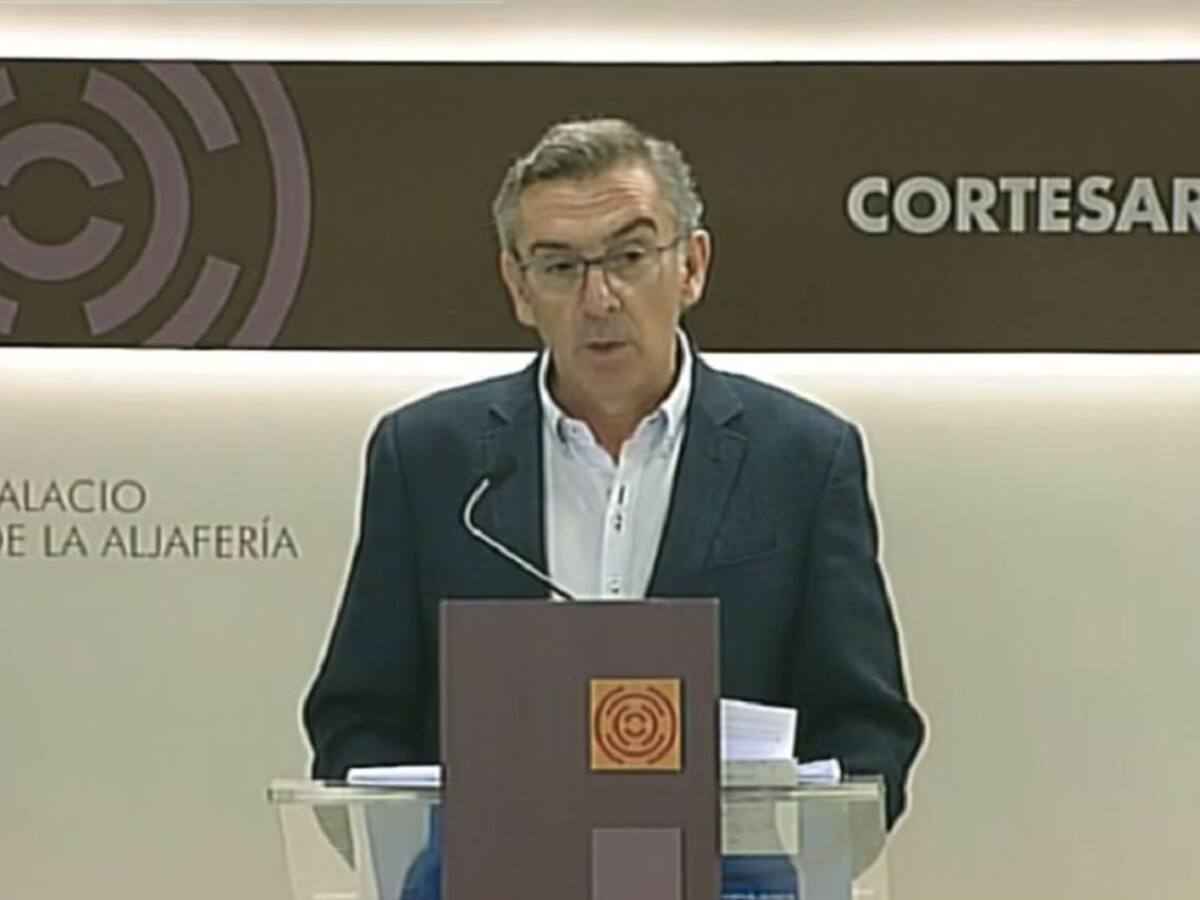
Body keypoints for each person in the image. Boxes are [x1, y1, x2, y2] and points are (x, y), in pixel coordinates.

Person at [303, 119, 924, 833]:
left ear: (691, 266)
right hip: (491, 873)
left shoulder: (802, 460)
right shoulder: (429, 460)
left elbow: (866, 730)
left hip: (730, 875)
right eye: (560, 267)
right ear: (518, 286)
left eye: (629, 257)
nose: (598, 299)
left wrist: (807, 846)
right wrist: (423, 851)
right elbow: (357, 721)